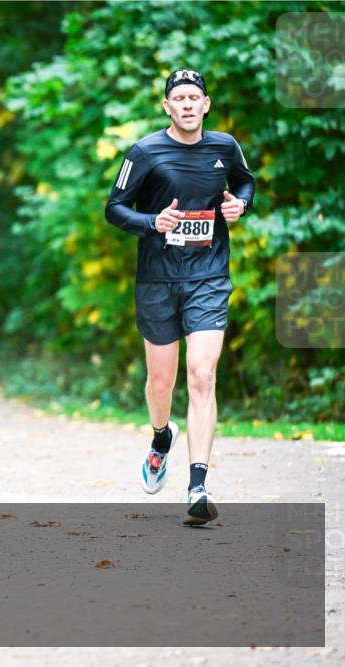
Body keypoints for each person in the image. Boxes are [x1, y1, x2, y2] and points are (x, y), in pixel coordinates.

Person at [105, 69, 254, 525]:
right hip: (157, 279)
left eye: (195, 97)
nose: (187, 104)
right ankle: (159, 437)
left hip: (208, 275)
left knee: (203, 374)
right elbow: (114, 208)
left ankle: (198, 483)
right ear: (167, 106)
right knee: (161, 382)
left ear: (206, 105)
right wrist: (153, 223)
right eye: (179, 98)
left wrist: (240, 204)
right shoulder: (145, 151)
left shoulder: (224, 147)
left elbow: (245, 183)